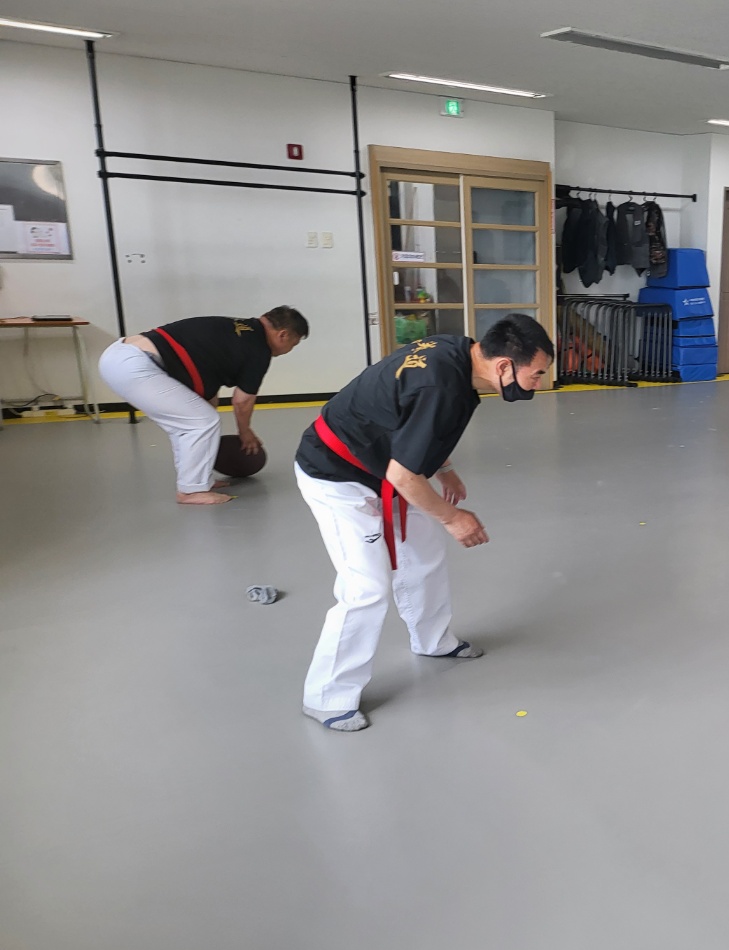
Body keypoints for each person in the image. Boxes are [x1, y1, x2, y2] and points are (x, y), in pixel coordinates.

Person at [294, 314, 554, 732]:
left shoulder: (459, 354)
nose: (539, 383)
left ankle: (433, 641)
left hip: (380, 466)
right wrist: (454, 518)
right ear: (505, 365)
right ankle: (326, 697)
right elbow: (403, 475)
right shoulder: (441, 386)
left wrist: (444, 468)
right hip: (337, 475)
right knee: (366, 586)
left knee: (424, 551)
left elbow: (413, 423)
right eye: (537, 374)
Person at [98, 308, 309, 504]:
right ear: (283, 335)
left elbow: (206, 391)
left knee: (191, 423)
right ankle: (191, 491)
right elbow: (242, 401)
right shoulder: (258, 349)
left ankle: (199, 481)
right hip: (134, 365)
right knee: (201, 422)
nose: (290, 350)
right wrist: (245, 432)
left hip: (120, 355)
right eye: (294, 344)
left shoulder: (238, 330)